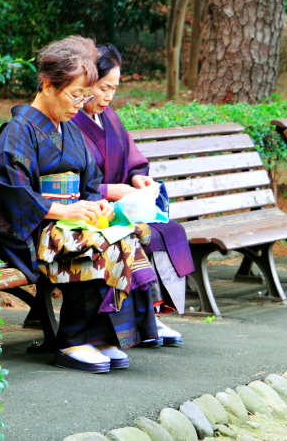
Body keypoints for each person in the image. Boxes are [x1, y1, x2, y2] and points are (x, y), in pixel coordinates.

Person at [0, 36, 159, 373]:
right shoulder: (19, 130)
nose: (80, 104)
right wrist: (64, 211)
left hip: (64, 220)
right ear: (48, 85)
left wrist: (97, 206)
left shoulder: (69, 130)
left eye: (84, 96)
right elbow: (9, 190)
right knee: (95, 243)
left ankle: (102, 335)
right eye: (75, 94)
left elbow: (90, 183)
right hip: (27, 230)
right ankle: (71, 340)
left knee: (126, 233)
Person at [72, 44, 194, 347]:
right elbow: (65, 182)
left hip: (121, 205)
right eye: (103, 88)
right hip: (88, 209)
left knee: (168, 230)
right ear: (86, 81)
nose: (109, 96)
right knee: (134, 235)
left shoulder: (110, 118)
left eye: (114, 88)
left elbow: (132, 159)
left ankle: (152, 313)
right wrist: (108, 191)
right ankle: (139, 321)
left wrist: (138, 176)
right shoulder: (69, 119)